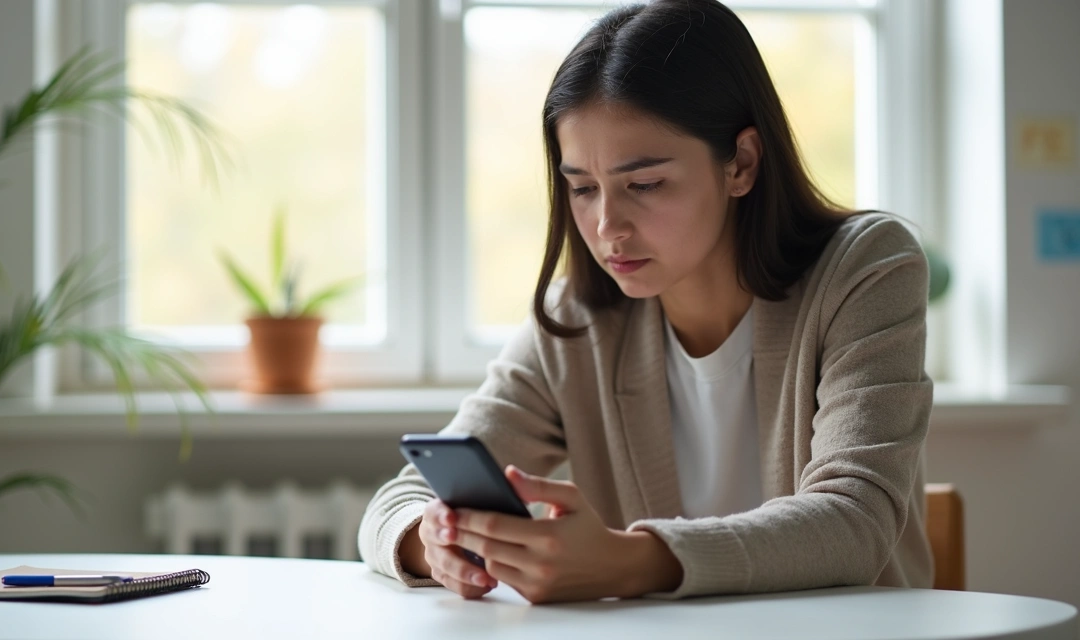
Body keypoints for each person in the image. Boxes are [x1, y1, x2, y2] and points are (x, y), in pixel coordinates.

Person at [357, 0, 933, 604]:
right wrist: (434, 542)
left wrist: (629, 562)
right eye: (581, 188)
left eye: (645, 184)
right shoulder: (576, 323)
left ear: (741, 162)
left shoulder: (866, 270)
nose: (607, 225)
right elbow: (397, 501)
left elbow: (853, 522)